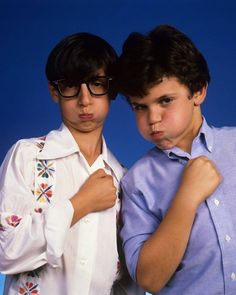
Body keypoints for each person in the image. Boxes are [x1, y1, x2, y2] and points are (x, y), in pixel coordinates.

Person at [0, 32, 143, 295]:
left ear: (112, 90)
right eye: (70, 85)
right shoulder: (28, 156)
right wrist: (80, 204)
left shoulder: (125, 179)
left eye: (97, 83)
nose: (85, 99)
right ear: (54, 91)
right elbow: (6, 252)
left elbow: (127, 282)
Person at [116, 24, 236, 294]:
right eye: (139, 106)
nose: (152, 118)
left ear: (198, 92)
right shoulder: (137, 182)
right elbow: (148, 278)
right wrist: (187, 196)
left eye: (165, 100)